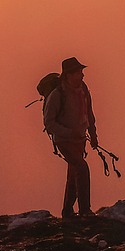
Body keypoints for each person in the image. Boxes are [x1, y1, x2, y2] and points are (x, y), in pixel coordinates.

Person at [43, 56, 99, 219]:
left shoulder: (83, 90)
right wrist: (68, 132)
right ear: (68, 75)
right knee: (82, 168)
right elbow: (49, 123)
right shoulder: (57, 94)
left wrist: (93, 135)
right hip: (64, 140)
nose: (82, 75)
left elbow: (89, 114)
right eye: (78, 72)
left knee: (73, 174)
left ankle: (67, 212)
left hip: (79, 140)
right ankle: (84, 210)